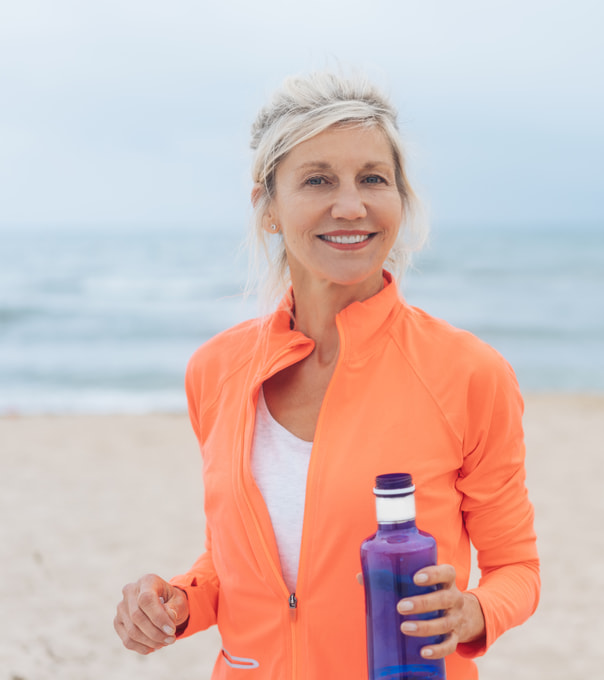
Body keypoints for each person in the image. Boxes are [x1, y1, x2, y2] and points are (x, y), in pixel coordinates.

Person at [114, 71, 540, 679]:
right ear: (268, 208)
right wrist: (175, 603)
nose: (351, 205)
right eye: (317, 180)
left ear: (400, 199)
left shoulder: (469, 373)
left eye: (373, 179)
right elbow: (236, 564)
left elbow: (517, 569)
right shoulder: (215, 372)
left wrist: (472, 612)